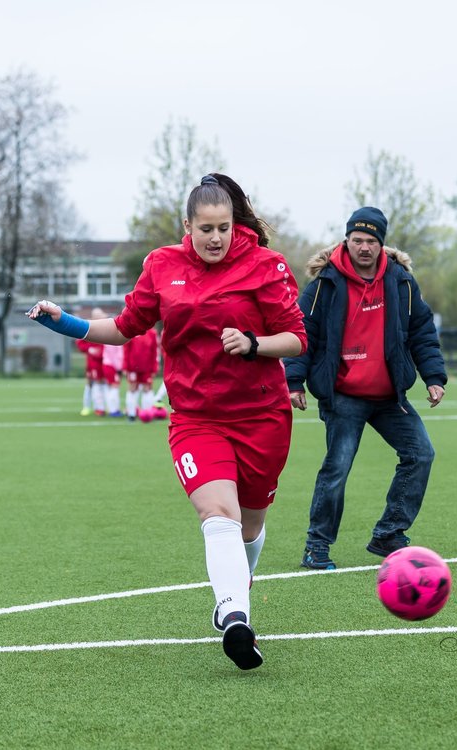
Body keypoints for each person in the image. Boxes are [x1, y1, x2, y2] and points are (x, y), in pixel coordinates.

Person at [27, 173, 306, 670]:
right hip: (196, 418)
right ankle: (234, 614)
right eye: (206, 229)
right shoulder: (162, 265)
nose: (216, 238)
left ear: (233, 224)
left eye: (223, 228)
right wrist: (64, 322)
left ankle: (236, 588)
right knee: (218, 515)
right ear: (188, 226)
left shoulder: (266, 266)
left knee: (249, 524)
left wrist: (253, 343)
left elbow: (296, 338)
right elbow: (123, 326)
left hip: (262, 415)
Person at [284, 206, 447, 570]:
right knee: (337, 468)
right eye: (357, 240)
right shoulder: (324, 283)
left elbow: (422, 331)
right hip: (342, 395)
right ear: (347, 241)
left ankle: (388, 533)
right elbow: (301, 332)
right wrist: (294, 380)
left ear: (381, 244)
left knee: (421, 454)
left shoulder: (401, 282)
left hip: (390, 396)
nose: (363, 247)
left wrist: (434, 377)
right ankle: (317, 546)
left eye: (370, 241)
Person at [122, 325, 161, 421]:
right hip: (133, 367)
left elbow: (155, 351)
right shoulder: (132, 330)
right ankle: (131, 414)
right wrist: (125, 366)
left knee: (147, 389)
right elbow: (126, 350)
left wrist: (154, 367)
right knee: (132, 388)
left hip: (147, 367)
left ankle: (147, 413)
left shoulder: (152, 333)